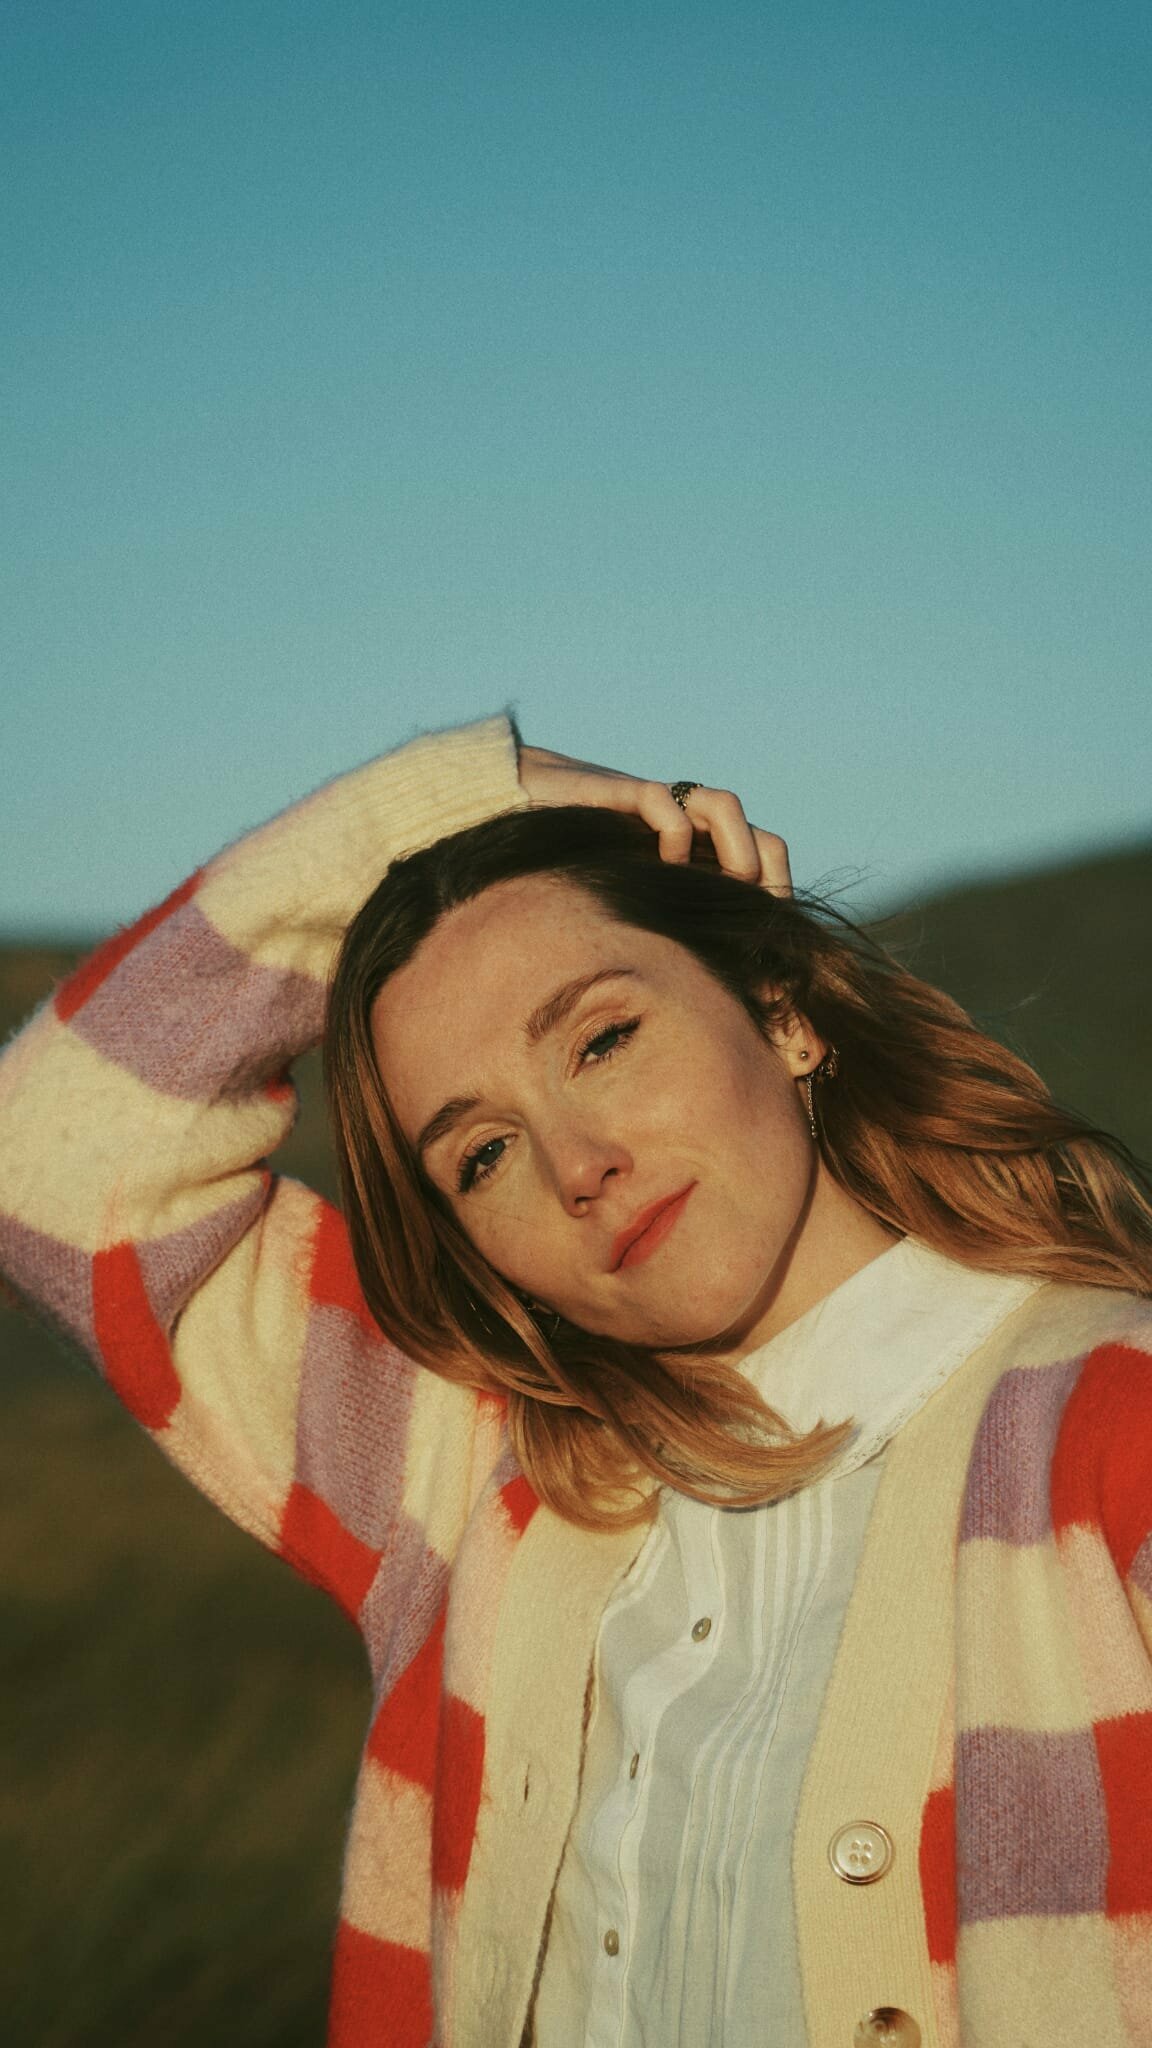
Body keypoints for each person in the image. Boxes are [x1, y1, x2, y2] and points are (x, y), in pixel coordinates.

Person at [1, 710, 1150, 2048]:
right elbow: (48, 1158)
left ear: (780, 1012)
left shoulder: (1115, 1423)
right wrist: (425, 812)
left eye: (602, 1040)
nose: (576, 1165)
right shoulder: (467, 1480)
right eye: (481, 1155)